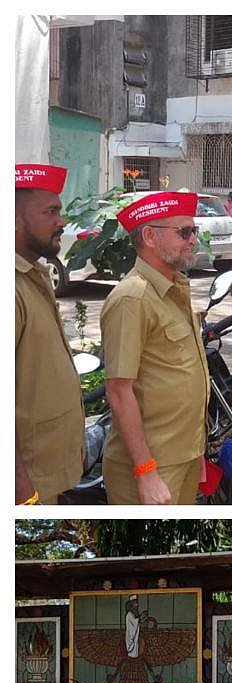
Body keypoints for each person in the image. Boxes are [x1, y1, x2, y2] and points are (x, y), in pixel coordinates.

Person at [99, 191, 210, 504]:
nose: (192, 240)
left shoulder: (174, 288)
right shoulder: (133, 298)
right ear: (149, 236)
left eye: (194, 231)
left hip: (182, 457)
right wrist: (146, 470)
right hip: (150, 466)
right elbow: (119, 391)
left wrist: (194, 450)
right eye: (184, 232)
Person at [15, 163, 85, 505]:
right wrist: (19, 488)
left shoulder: (35, 274)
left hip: (44, 473)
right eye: (51, 212)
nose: (62, 222)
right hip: (26, 483)